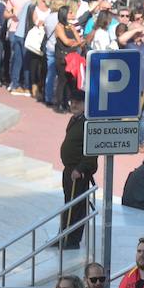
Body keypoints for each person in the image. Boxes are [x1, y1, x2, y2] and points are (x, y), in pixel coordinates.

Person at [59, 100, 99, 248]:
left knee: (76, 207)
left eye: (78, 103)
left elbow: (91, 150)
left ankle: (72, 240)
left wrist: (80, 168)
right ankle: (63, 236)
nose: (73, 105)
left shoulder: (88, 122)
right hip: (69, 169)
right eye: (72, 102)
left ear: (85, 104)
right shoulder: (75, 119)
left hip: (78, 172)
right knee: (68, 204)